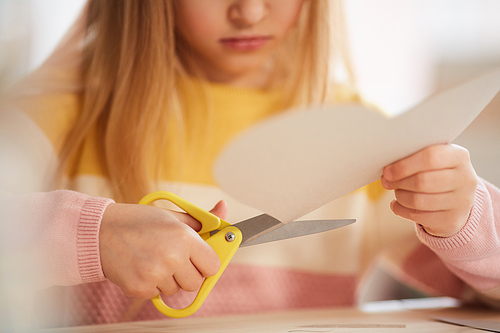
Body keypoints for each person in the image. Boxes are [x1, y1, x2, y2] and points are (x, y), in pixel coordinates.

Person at [1, 0, 499, 328]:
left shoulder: (362, 135)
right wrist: (94, 234)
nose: (250, 11)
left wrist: (464, 219)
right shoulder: (59, 112)